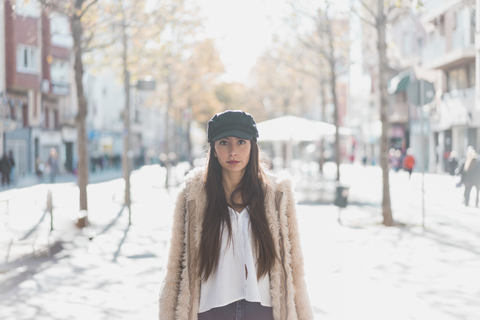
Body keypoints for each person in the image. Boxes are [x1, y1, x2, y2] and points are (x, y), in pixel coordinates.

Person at [158, 110, 313, 320]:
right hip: (210, 311)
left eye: (241, 142)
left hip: (265, 311)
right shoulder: (192, 196)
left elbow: (295, 266)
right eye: (223, 142)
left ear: (253, 147)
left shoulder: (277, 194)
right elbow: (175, 266)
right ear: (212, 149)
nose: (233, 151)